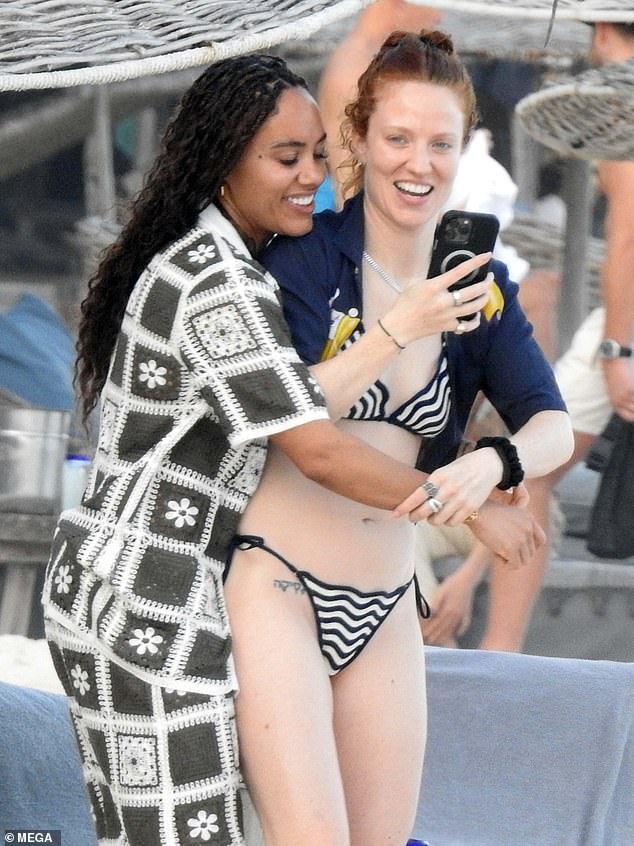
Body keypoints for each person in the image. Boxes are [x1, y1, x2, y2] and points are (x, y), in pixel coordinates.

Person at [40, 53, 543, 846]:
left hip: (162, 587)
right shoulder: (219, 282)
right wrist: (471, 507)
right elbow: (318, 449)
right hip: (147, 592)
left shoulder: (232, 264)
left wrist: (489, 456)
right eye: (285, 158)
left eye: (315, 153)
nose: (312, 175)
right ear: (224, 163)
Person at [250, 29, 572, 845]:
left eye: (440, 144)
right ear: (359, 139)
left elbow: (553, 425)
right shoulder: (304, 259)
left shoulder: (480, 289)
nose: (418, 164)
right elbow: (291, 419)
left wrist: (496, 462)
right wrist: (400, 326)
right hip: (279, 583)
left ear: (463, 152)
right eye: (397, 139)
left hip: (388, 600)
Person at [524, 19, 634, 631]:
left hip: (626, 325)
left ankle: (501, 642)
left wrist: (618, 350)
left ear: (603, 33)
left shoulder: (623, 102)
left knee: (529, 466)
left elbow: (628, 237)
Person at [318, 0, 443, 208]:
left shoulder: (367, 58)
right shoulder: (356, 67)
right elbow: (347, 175)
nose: (438, 17)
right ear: (399, 3)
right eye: (431, 3)